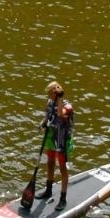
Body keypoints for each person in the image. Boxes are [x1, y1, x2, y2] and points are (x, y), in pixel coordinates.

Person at [39, 81, 74, 209]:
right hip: (51, 137)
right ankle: (48, 190)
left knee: (62, 168)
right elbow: (48, 115)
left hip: (62, 139)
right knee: (50, 163)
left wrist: (60, 99)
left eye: (49, 93)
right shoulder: (49, 102)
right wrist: (42, 123)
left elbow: (60, 114)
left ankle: (63, 198)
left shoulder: (68, 107)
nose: (47, 96)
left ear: (55, 93)